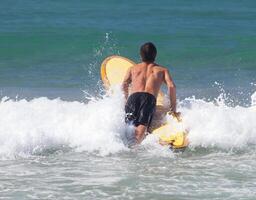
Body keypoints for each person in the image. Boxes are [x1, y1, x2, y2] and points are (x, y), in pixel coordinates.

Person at [122, 42, 178, 145]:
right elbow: (172, 86)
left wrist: (126, 100)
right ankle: (135, 148)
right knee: (143, 125)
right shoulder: (162, 70)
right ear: (155, 55)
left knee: (129, 123)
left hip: (133, 97)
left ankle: (125, 146)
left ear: (140, 55)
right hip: (148, 98)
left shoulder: (132, 69)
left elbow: (125, 84)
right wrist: (173, 108)